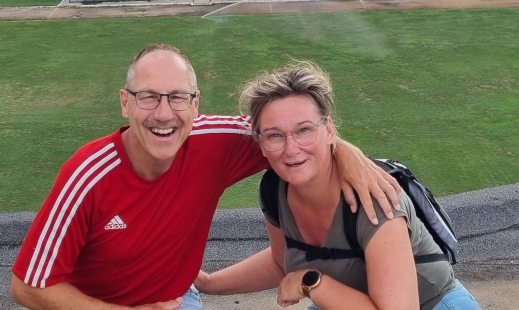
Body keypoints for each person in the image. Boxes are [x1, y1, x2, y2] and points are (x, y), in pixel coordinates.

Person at [10, 45, 404, 310]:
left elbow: (292, 136)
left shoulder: (217, 140)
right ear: (125, 103)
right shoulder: (87, 174)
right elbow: (28, 286)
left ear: (195, 104)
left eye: (178, 97)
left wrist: (344, 150)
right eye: (148, 96)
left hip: (179, 299)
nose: (164, 114)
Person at [194, 62, 482, 310]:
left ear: (329, 129)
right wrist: (207, 282)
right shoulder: (274, 189)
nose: (291, 149)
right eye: (275, 135)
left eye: (304, 129)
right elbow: (282, 262)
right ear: (261, 143)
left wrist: (312, 282)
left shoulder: (373, 197)